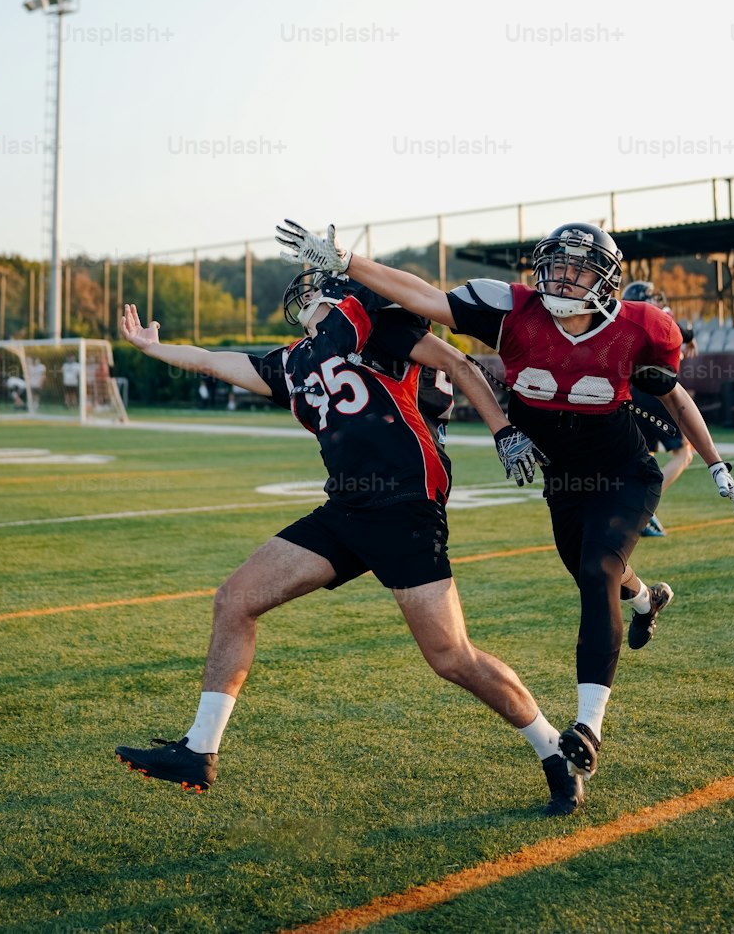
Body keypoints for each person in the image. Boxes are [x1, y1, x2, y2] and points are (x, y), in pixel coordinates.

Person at [277, 219, 734, 813]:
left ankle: (588, 729)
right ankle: (646, 599)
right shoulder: (511, 307)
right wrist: (351, 262)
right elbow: (423, 295)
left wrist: (716, 466)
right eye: (554, 264)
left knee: (597, 570)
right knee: (593, 567)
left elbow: (672, 394)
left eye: (577, 267)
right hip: (563, 477)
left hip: (624, 473)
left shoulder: (643, 327)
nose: (561, 276)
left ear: (606, 279)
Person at [114, 274, 579, 813]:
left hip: (404, 503)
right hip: (346, 509)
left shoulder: (372, 325)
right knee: (234, 600)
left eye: (315, 292)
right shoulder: (292, 363)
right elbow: (213, 360)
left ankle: (553, 751)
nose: (306, 303)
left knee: (452, 658)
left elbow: (457, 363)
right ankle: (200, 749)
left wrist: (502, 429)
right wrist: (154, 347)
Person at [621, 281, 696, 537]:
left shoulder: (621, 320)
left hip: (630, 394)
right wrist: (690, 335)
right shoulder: (654, 316)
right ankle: (643, 506)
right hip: (654, 392)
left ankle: (640, 509)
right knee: (684, 453)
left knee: (647, 456)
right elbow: (679, 329)